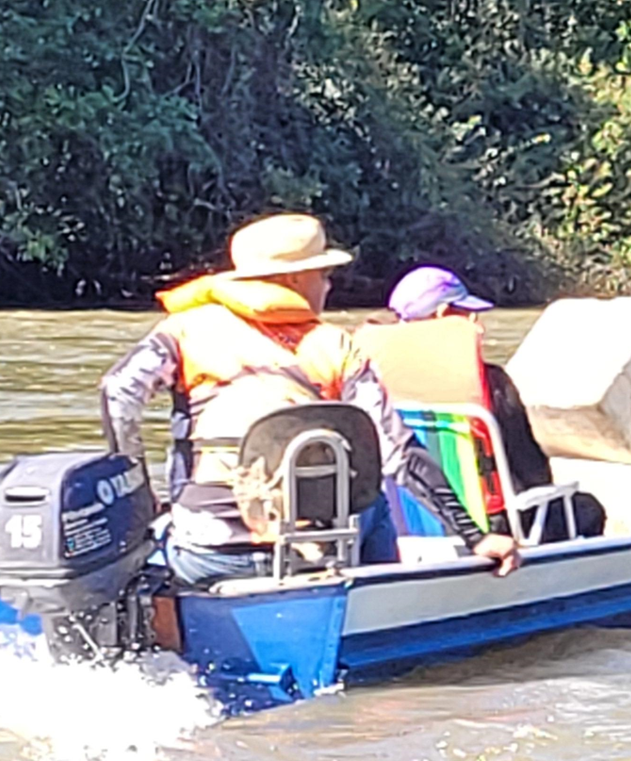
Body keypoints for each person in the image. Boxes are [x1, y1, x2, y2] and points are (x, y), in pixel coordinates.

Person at [99, 214, 519, 586]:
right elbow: (399, 456)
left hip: (208, 552)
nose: (329, 285)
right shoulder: (337, 347)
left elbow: (117, 392)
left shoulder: (182, 331)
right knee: (373, 503)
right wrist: (477, 536)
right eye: (323, 275)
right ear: (295, 280)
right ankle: (374, 607)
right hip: (309, 550)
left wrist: (136, 492)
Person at [363, 266, 605, 542]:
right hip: (494, 526)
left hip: (409, 521)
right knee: (587, 509)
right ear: (444, 315)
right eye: (467, 313)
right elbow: (531, 469)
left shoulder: (372, 384)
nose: (476, 322)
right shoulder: (490, 382)